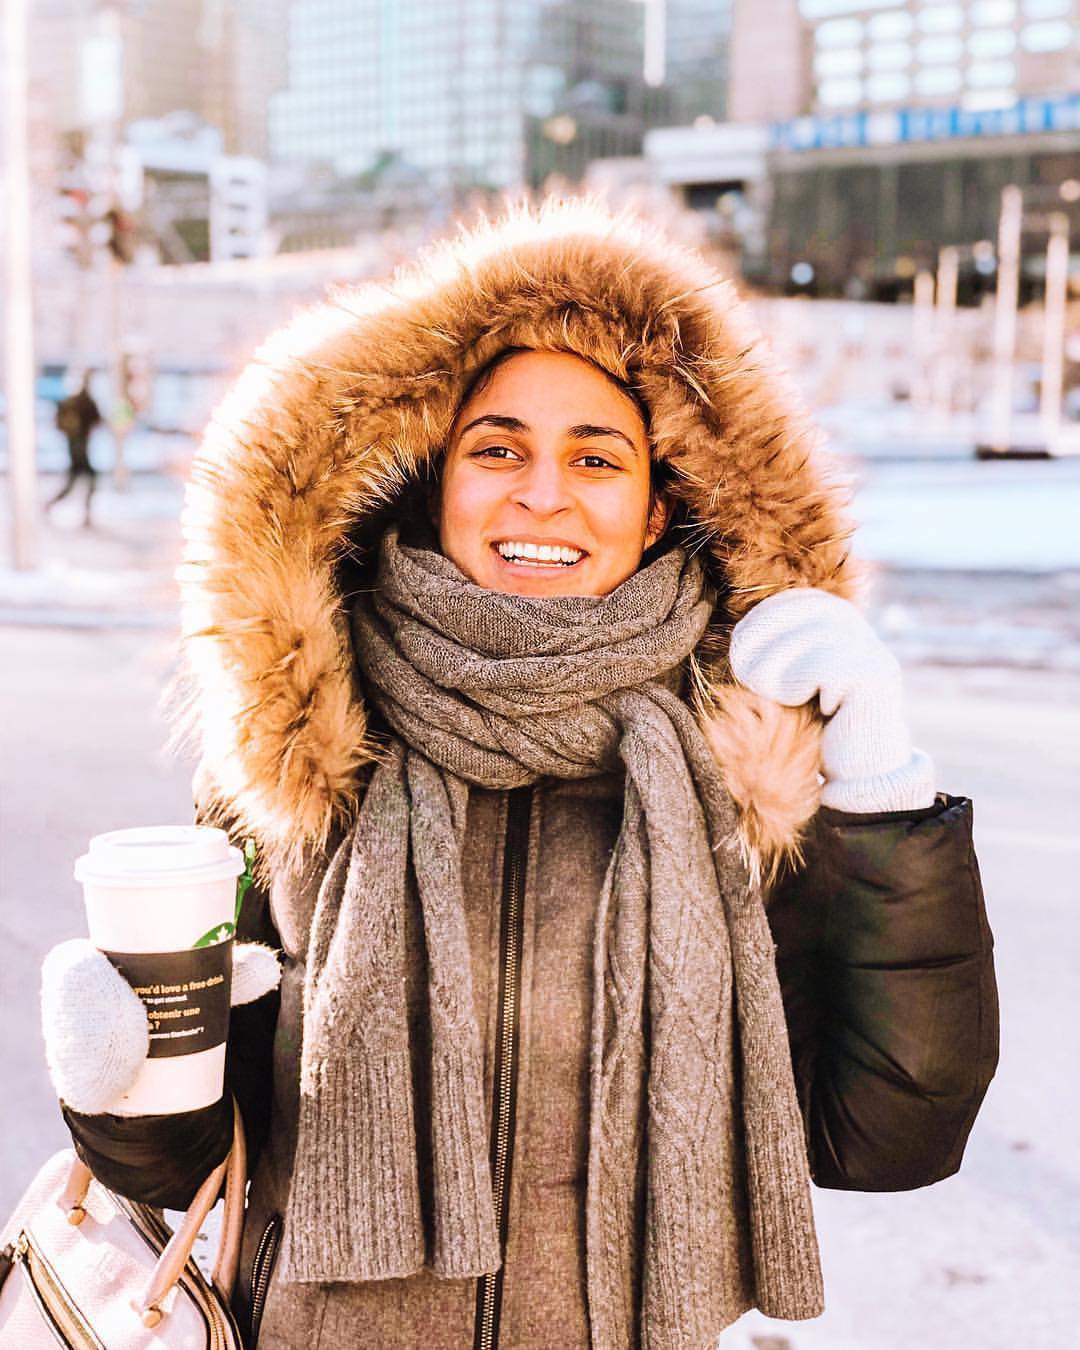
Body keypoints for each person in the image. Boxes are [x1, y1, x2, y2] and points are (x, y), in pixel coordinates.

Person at [41, 200, 998, 1350]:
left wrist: (879, 781)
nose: (542, 494)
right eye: (497, 450)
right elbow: (188, 1167)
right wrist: (125, 1091)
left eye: (596, 458)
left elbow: (893, 1127)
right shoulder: (305, 758)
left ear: (656, 512)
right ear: (433, 481)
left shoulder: (745, 778)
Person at [47, 371, 102, 527]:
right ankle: (83, 512)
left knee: (75, 482)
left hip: (77, 447)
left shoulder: (75, 402)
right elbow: (96, 420)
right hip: (78, 448)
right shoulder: (81, 402)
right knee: (82, 479)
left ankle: (84, 512)